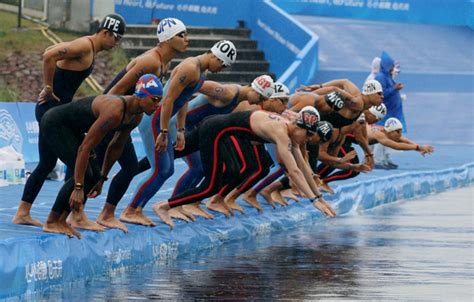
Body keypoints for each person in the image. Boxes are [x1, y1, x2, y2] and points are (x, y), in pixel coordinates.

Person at [13, 13, 126, 227]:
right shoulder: (84, 46)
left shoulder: (87, 47)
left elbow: (52, 55)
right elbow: (49, 55)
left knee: (46, 163)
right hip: (52, 113)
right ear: (105, 32)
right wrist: (48, 87)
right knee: (81, 165)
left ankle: (23, 212)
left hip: (55, 111)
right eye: (116, 38)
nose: (116, 44)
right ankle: (73, 214)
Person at [152, 108, 337, 229]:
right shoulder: (281, 132)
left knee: (173, 155)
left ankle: (167, 200)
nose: (308, 140)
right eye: (308, 135)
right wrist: (313, 201)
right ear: (299, 127)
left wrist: (319, 198)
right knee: (211, 186)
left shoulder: (292, 134)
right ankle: (163, 206)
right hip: (214, 131)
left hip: (221, 131)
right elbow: (294, 172)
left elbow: (303, 167)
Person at [120, 40, 237, 226]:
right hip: (154, 121)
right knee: (162, 170)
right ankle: (131, 210)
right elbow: (167, 101)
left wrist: (181, 130)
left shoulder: (201, 71)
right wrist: (165, 131)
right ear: (215, 56)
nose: (221, 69)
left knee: (183, 167)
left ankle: (170, 206)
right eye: (222, 64)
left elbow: (183, 101)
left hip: (164, 121)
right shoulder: (190, 68)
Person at [94, 18, 188, 232]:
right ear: (165, 39)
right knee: (93, 167)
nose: (186, 40)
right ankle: (74, 215)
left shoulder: (165, 63)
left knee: (128, 167)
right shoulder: (151, 62)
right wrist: (103, 122)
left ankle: (106, 214)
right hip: (109, 114)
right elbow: (115, 90)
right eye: (181, 35)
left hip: (122, 119)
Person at [40, 74, 163, 237]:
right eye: (154, 99)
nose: (157, 105)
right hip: (55, 124)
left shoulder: (136, 116)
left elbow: (116, 146)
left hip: (73, 129)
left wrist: (102, 178)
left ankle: (61, 220)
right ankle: (52, 221)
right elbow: (85, 148)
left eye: (159, 100)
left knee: (93, 175)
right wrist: (78, 187)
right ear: (140, 95)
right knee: (85, 175)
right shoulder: (114, 111)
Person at [373, 51, 406, 169]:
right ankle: (377, 160)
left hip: (391, 112)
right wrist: (394, 89)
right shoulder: (381, 77)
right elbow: (381, 94)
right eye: (391, 65)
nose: (393, 67)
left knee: (388, 137)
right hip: (384, 112)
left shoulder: (387, 76)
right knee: (381, 136)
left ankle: (385, 159)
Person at [369, 117, 434, 158]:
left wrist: (420, 148)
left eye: (401, 131)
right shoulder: (380, 135)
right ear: (390, 131)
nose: (400, 134)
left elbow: (406, 141)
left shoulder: (388, 131)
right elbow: (397, 146)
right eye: (398, 132)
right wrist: (418, 147)